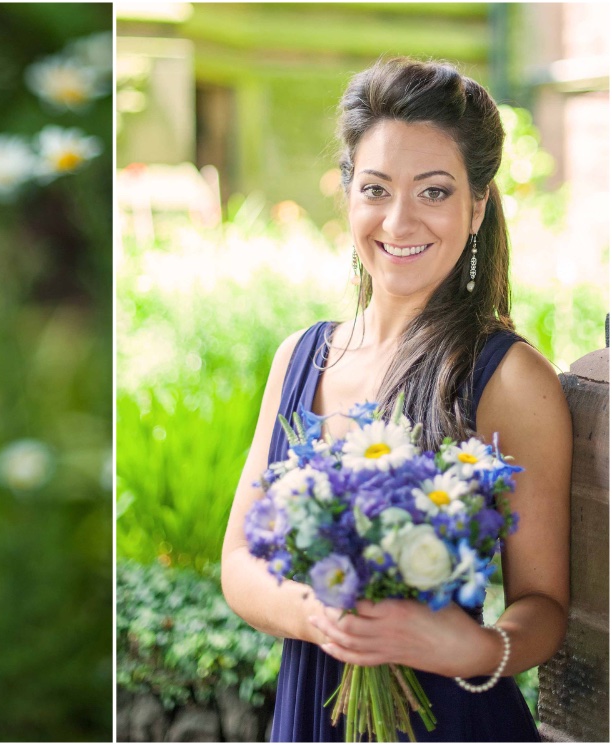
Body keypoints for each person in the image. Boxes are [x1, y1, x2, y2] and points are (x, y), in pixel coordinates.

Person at [220, 58, 571, 742]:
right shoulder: (300, 356)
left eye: (434, 192)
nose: (400, 219)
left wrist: (467, 647)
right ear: (348, 194)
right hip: (310, 708)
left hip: (450, 719)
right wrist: (318, 612)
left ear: (476, 206)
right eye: (376, 188)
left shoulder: (508, 377)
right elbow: (238, 562)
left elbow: (545, 606)